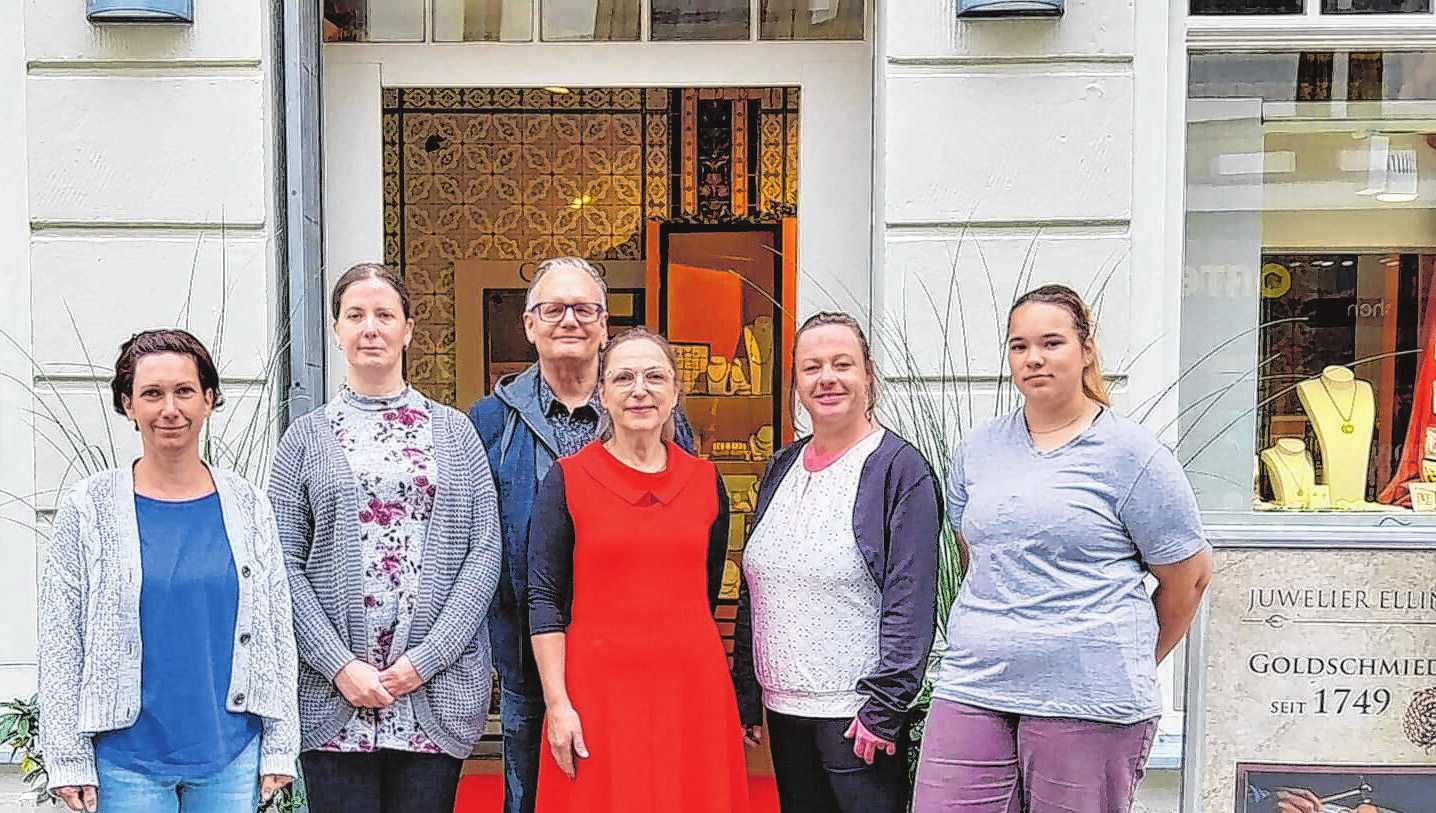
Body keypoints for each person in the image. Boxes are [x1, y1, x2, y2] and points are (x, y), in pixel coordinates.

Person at [913, 284, 1214, 813]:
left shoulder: (1133, 455)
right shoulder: (976, 452)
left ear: (1087, 350)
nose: (1034, 358)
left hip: (1089, 701)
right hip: (974, 687)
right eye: (1019, 346)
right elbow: (976, 559)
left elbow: (1188, 579)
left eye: (1051, 343)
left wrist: (1121, 659)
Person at [269, 263, 502, 813]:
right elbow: (281, 561)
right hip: (336, 698)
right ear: (337, 329)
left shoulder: (455, 431)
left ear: (408, 330)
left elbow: (483, 550)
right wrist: (339, 665)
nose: (370, 327)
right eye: (356, 315)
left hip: (430, 692)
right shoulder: (304, 438)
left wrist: (426, 660)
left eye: (384, 315)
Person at [38, 328, 299, 813]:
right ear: (127, 405)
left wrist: (281, 744)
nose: (169, 408)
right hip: (125, 761)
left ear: (209, 399)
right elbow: (60, 639)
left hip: (230, 755)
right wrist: (68, 756)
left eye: (184, 391)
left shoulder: (248, 505)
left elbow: (276, 632)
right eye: (151, 393)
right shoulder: (89, 508)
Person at [468, 256, 693, 813]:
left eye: (585, 308)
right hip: (526, 648)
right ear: (529, 324)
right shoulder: (490, 421)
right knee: (533, 791)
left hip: (634, 650)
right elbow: (476, 539)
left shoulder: (653, 413)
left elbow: (689, 523)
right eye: (553, 308)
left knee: (635, 789)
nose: (570, 319)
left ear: (605, 323)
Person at [526, 326, 750, 813]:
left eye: (654, 376)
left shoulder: (707, 482)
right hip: (597, 693)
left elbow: (706, 588)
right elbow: (543, 600)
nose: (639, 390)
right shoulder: (566, 480)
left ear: (675, 391)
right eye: (623, 377)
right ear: (601, 393)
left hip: (693, 691)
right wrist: (557, 703)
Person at [730, 311, 942, 813]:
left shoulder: (899, 470)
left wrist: (884, 708)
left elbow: (910, 601)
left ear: (868, 372)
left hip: (857, 719)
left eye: (841, 364)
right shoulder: (782, 465)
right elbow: (753, 584)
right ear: (797, 383)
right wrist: (745, 690)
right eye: (812, 367)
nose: (827, 378)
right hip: (783, 710)